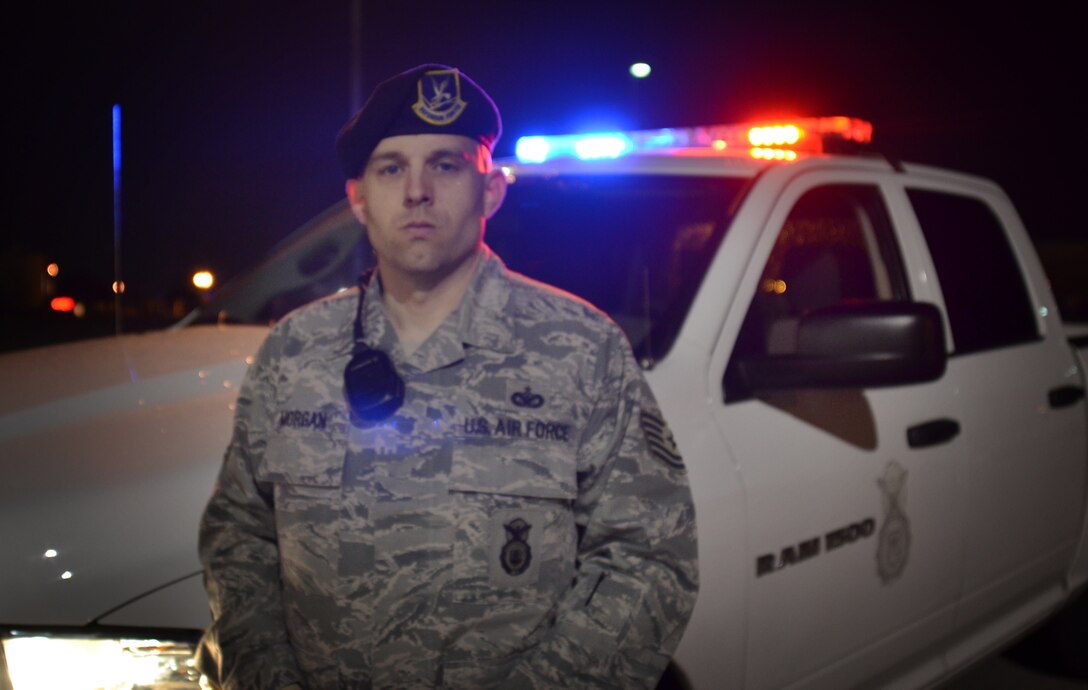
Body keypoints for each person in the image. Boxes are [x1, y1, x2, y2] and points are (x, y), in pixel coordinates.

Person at [197, 63, 698, 690]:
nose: (416, 192)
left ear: (490, 191)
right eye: (390, 168)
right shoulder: (294, 352)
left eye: (445, 164)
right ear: (358, 198)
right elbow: (240, 539)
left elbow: (648, 557)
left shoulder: (580, 349)